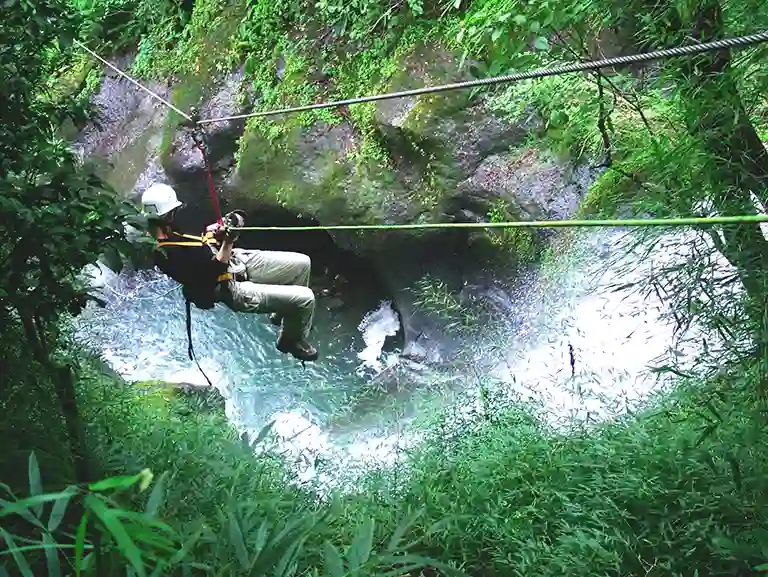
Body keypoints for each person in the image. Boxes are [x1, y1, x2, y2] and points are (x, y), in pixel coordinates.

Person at [140, 182, 318, 362]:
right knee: (306, 299)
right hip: (228, 286)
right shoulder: (164, 252)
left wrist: (212, 233)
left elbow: (197, 248)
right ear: (168, 215)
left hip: (236, 261)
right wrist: (228, 241)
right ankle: (290, 340)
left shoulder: (168, 233)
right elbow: (212, 271)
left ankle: (283, 316)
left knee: (303, 263)